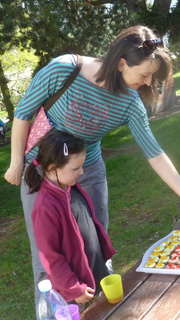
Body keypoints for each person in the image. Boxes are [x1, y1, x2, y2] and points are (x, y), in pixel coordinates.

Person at [4, 25, 180, 304]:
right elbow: (23, 114)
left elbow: (154, 153)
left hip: (89, 170)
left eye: (152, 77)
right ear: (121, 63)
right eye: (144, 74)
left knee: (95, 243)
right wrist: (15, 162)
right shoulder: (62, 69)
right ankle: (54, 310)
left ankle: (102, 306)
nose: (147, 83)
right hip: (41, 170)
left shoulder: (130, 103)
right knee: (45, 253)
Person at [25, 129, 115, 303]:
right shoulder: (45, 207)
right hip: (77, 291)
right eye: (76, 168)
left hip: (94, 273)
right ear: (53, 169)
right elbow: (50, 257)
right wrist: (73, 288)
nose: (81, 172)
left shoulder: (69, 187)